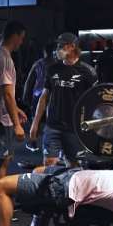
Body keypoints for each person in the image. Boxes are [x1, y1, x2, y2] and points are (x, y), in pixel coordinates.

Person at [29, 33, 97, 167]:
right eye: (58, 46)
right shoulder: (52, 69)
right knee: (49, 164)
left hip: (74, 128)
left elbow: (93, 102)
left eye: (61, 46)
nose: (58, 49)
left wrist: (90, 128)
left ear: (72, 47)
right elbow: (44, 97)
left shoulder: (88, 72)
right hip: (52, 126)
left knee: (74, 166)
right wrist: (35, 124)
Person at [0, 20, 28, 218]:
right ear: (15, 35)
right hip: (0, 121)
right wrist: (17, 125)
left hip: (0, 117)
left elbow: (4, 93)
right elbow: (7, 94)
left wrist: (16, 110)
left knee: (3, 161)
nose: (22, 43)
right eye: (22, 38)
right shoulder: (3, 58)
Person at [22, 42, 56, 152]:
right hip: (52, 95)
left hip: (38, 95)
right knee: (51, 120)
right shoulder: (57, 64)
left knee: (35, 119)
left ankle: (33, 143)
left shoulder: (38, 63)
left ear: (44, 52)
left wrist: (25, 95)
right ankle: (52, 145)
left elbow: (29, 80)